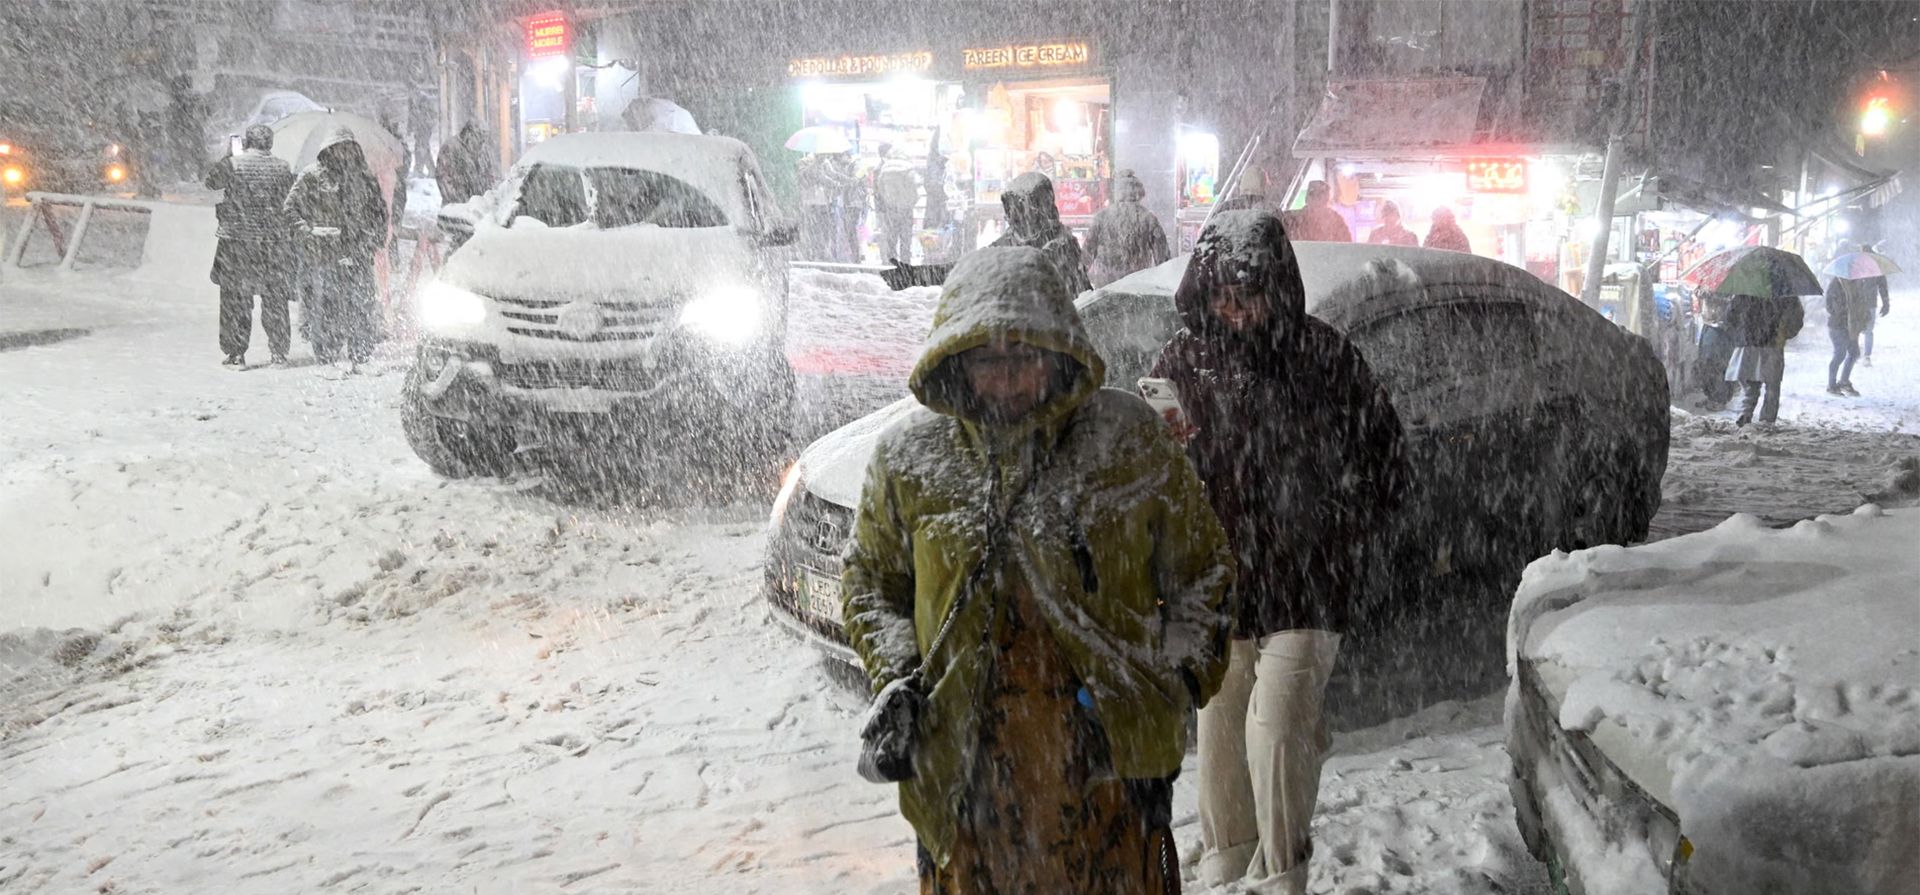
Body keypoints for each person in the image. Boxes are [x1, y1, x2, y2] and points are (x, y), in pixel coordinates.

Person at [842, 246, 1235, 895]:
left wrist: (1177, 674)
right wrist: (897, 676)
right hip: (966, 783)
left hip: (1108, 773)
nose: (1009, 378)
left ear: (1060, 352)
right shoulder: (908, 459)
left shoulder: (1125, 439)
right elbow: (869, 580)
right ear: (957, 359)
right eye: (989, 358)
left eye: (1026, 355)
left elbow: (1203, 570)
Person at [1150, 210, 1407, 894]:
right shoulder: (1182, 362)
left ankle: (1282, 879)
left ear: (1279, 289)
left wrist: (1333, 529)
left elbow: (1388, 466)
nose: (1234, 314)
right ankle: (1228, 872)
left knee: (1278, 731)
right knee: (1222, 751)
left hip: (1307, 587)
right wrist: (1175, 456)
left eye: (1249, 296)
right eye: (1221, 298)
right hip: (1220, 590)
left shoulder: (1325, 359)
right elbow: (1150, 478)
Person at [881, 172, 1092, 295]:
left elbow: (1083, 303)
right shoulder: (1011, 243)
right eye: (1010, 211)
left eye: (1020, 209)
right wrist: (917, 276)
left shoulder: (1061, 248)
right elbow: (970, 267)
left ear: (1040, 209)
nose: (1013, 218)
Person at [286, 127, 389, 369]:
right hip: (325, 254)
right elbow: (290, 209)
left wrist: (373, 239)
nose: (344, 152)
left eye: (348, 147)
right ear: (329, 149)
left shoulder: (365, 178)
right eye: (339, 147)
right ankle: (327, 354)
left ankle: (361, 352)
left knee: (361, 303)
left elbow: (380, 213)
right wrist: (308, 232)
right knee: (327, 305)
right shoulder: (311, 177)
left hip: (359, 252)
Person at [205, 124, 295, 367]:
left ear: (247, 142)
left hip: (237, 242)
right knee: (275, 297)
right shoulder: (283, 167)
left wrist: (228, 155)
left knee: (236, 298)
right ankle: (279, 350)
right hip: (273, 242)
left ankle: (236, 352)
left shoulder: (234, 164)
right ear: (270, 143)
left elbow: (211, 182)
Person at [1723, 291, 1805, 426]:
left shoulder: (1746, 290)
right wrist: (1784, 333)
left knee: (1750, 384)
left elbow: (1729, 317)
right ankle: (1767, 420)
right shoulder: (1784, 292)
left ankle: (1745, 412)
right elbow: (1797, 318)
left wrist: (1742, 331)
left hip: (1748, 343)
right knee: (1772, 385)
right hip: (1773, 344)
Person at [1082, 169, 1172, 287]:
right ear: (1139, 192)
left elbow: (1086, 256)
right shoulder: (1148, 219)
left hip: (1106, 288)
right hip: (1137, 287)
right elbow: (1163, 259)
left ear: (1116, 191)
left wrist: (1084, 285)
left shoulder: (1101, 217)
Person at [873, 143, 921, 264]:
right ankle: (905, 266)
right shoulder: (909, 168)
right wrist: (910, 203)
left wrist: (888, 201)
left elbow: (880, 188)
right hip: (906, 209)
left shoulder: (885, 168)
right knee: (906, 240)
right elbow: (914, 190)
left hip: (891, 209)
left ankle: (893, 265)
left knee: (892, 239)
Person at [795, 152, 846, 261]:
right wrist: (835, 184)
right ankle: (812, 254)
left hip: (823, 202)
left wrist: (845, 180)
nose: (824, 156)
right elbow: (818, 177)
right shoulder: (805, 162)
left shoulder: (825, 162)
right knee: (812, 229)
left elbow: (832, 174)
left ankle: (821, 253)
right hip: (810, 201)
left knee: (823, 229)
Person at [434, 123, 497, 206]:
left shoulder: (483, 151)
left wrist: (488, 197)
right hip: (455, 209)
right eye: (479, 137)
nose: (482, 143)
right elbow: (443, 178)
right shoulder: (450, 148)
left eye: (484, 139)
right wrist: (461, 202)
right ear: (469, 134)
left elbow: (489, 175)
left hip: (480, 209)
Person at [1825, 277, 1865, 396]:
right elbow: (1831, 306)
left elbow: (1859, 303)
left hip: (1850, 325)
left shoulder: (1854, 284)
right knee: (1839, 354)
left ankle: (1844, 381)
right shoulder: (1836, 285)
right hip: (1838, 325)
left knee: (1854, 353)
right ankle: (1831, 385)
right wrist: (1843, 312)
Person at [1283, 180, 1352, 243]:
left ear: (1327, 200)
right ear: (1306, 198)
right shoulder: (1290, 219)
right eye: (1312, 195)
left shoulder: (1336, 222)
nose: (1316, 199)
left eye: (1320, 195)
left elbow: (1346, 247)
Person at [835, 150, 868, 263]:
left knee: (851, 230)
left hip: (855, 203)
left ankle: (856, 257)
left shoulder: (859, 165)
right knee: (849, 230)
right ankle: (854, 256)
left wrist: (840, 178)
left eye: (841, 156)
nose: (839, 159)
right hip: (848, 202)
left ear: (848, 156)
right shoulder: (848, 166)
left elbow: (854, 181)